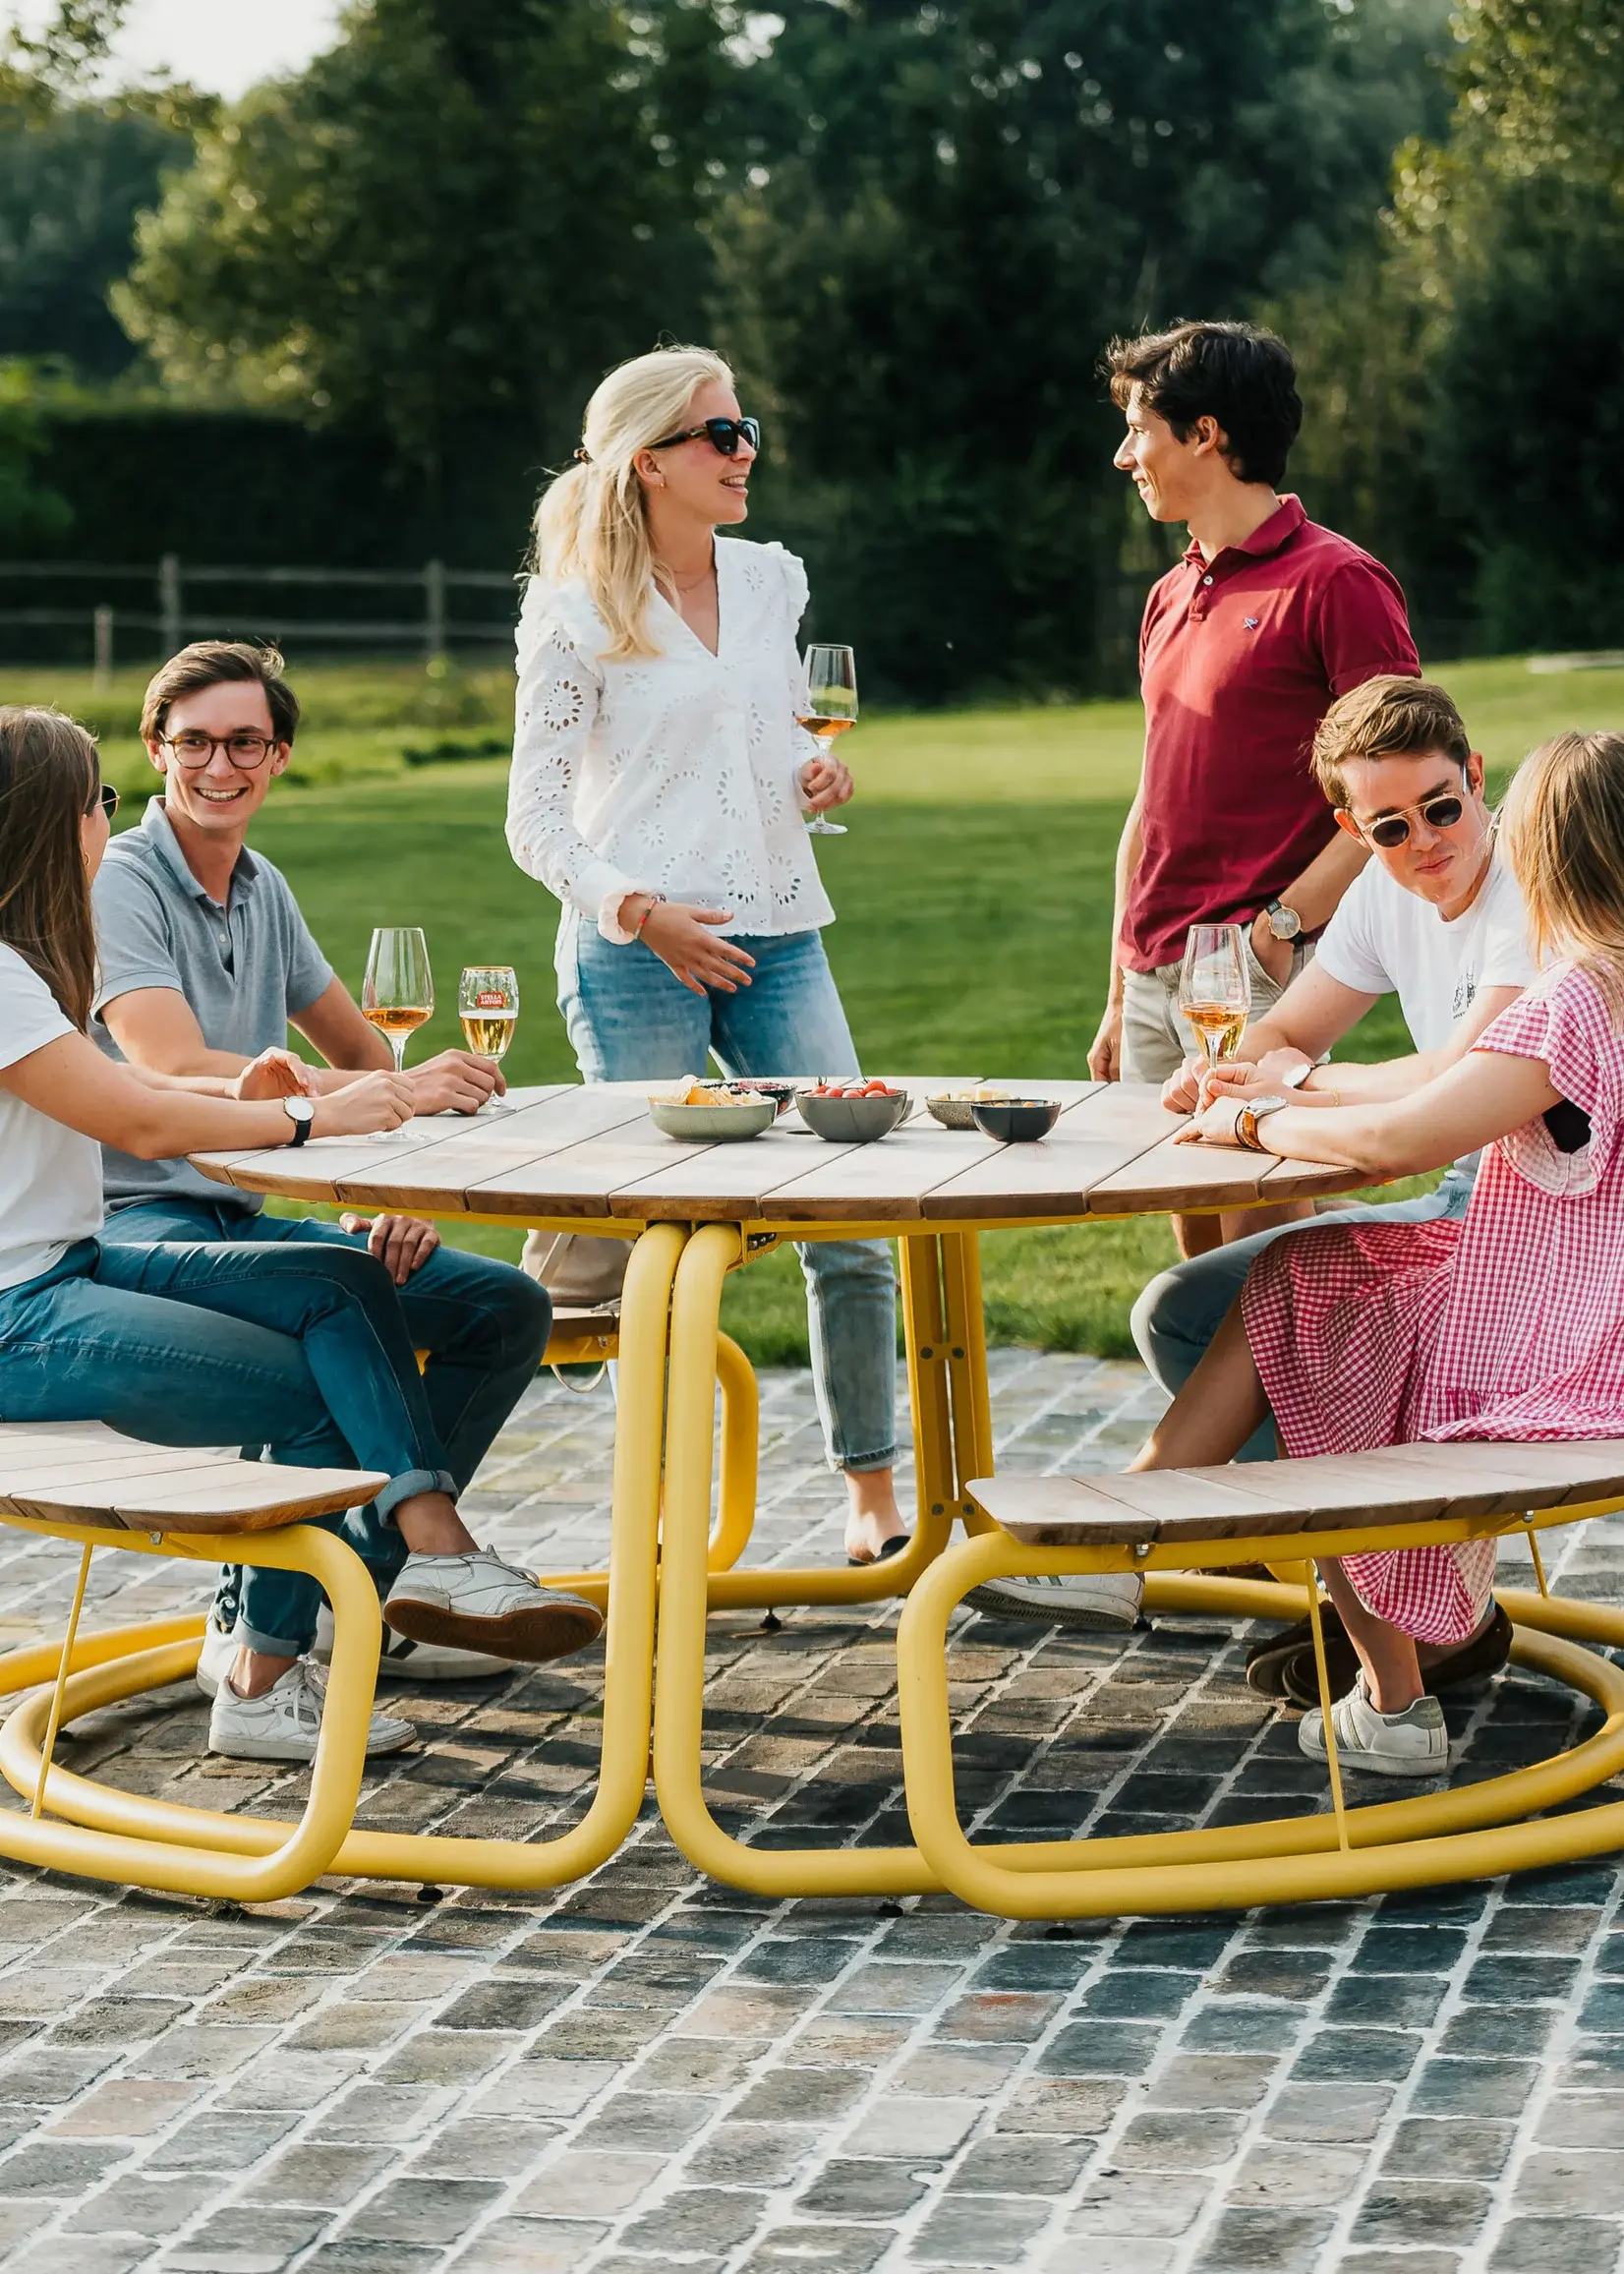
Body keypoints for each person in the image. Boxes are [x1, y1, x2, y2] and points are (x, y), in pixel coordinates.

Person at [0, 706, 603, 1768]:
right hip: (22, 1311)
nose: (109, 819)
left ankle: (421, 1562)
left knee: (338, 1285)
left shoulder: (33, 962)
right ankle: (260, 1679)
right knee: (328, 1376)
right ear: (53, 823)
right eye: (98, 800)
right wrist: (306, 1116)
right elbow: (139, 1117)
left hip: (70, 1263)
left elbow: (126, 1084)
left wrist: (267, 1090)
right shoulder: (4, 975)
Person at [970, 676, 1536, 1661]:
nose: (1426, 843)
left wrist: (1283, 1094)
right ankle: (1408, 1592)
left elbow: (1455, 1079)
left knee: (1293, 1289)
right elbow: (1279, 1029)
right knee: (1179, 1310)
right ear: (1351, 829)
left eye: (1441, 808)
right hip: (1454, 1195)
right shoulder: (1378, 893)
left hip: (1522, 1222)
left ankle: (1173, 1550)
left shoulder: (1527, 887)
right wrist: (1236, 1068)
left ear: (1474, 777)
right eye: (1390, 827)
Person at [1128, 728, 1624, 1778]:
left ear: (1538, 854)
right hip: (1576, 1305)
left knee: (1309, 1312)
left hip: (1568, 1342)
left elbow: (1398, 1139)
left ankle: (1386, 1689)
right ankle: (1387, 1687)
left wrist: (1253, 1123)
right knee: (1314, 1278)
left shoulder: (1577, 998)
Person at [505, 343, 907, 1565]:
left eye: (743, 431)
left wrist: (811, 770)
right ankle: (667, 1514)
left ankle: (872, 1490)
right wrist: (642, 915)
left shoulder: (771, 580)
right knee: (664, 1245)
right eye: (720, 436)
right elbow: (533, 820)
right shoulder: (574, 609)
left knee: (853, 1210)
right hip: (636, 953)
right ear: (649, 465)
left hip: (782, 935)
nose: (746, 453)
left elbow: (771, 738)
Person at [1089, 320, 1421, 1261]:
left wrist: (1278, 927)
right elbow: (1152, 798)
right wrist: (1120, 986)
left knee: (1267, 1233)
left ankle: (1321, 1410)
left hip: (1260, 965)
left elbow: (1401, 792)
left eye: (1138, 428)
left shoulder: (1339, 582)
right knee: (1198, 1237)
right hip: (1158, 967)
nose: (1125, 456)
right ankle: (1231, 1416)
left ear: (1205, 434)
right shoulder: (1166, 594)